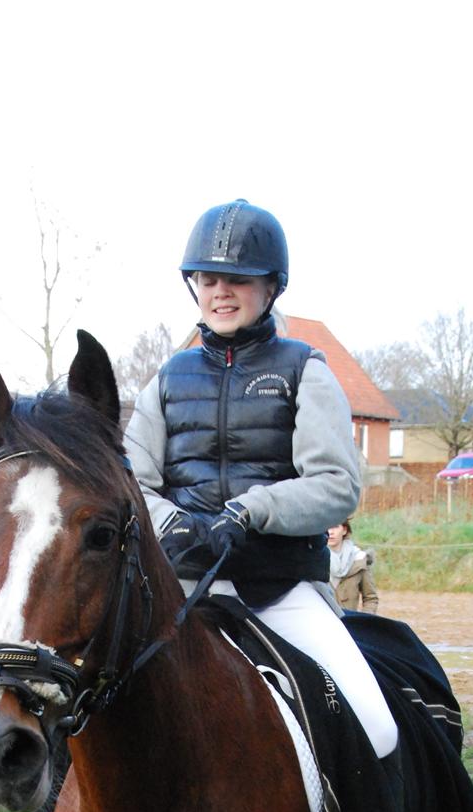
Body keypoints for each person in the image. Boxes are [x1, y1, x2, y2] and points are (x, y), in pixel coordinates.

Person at [123, 199, 398, 761]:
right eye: (208, 278)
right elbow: (131, 483)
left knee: (376, 726)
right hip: (183, 594)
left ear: (270, 287)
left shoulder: (305, 370)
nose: (220, 291)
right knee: (90, 731)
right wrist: (172, 521)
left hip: (283, 591)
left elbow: (336, 486)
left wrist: (250, 512)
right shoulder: (167, 379)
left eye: (238, 279)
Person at [327, 520, 379, 613]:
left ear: (344, 530)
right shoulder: (313, 560)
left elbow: (370, 598)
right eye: (326, 527)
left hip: (348, 624)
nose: (330, 532)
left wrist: (363, 622)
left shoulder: (359, 559)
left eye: (335, 526)